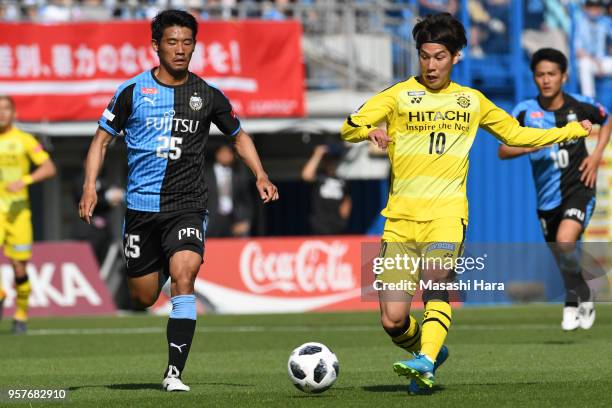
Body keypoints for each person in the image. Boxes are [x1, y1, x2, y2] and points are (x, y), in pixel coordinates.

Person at [340, 13, 592, 395]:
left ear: (456, 57)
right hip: (400, 220)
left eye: (439, 56)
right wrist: (369, 130)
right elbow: (348, 126)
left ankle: (424, 363)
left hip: (447, 214)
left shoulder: (471, 101)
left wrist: (570, 130)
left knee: (437, 282)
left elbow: (516, 133)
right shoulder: (397, 95)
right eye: (424, 55)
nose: (430, 64)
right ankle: (429, 350)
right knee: (393, 320)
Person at [78, 10, 278, 392]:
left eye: (187, 42)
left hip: (186, 204)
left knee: (184, 277)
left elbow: (238, 135)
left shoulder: (207, 94)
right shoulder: (132, 91)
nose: (180, 49)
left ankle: (174, 372)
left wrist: (261, 174)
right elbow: (101, 140)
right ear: (155, 46)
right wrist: (91, 186)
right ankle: (162, 265)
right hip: (140, 210)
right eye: (172, 42)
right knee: (145, 295)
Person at [499, 48, 610, 331]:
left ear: (564, 76)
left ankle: (580, 293)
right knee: (562, 255)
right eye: (540, 75)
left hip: (579, 188)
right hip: (546, 198)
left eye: (552, 74)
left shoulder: (580, 105)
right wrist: (533, 143)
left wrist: (596, 155)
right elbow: (503, 150)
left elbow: (606, 119)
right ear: (534, 78)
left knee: (565, 242)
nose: (546, 80)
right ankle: (580, 294)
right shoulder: (525, 111)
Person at [0, 95, 57, 334]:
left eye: (6, 109)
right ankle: (2, 294)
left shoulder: (24, 140)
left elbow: (48, 167)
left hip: (19, 212)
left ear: (14, 113)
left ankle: (21, 316)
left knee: (19, 267)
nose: (2, 113)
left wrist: (24, 180)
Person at [205, 143, 254, 238]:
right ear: (217, 154)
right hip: (211, 220)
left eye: (229, 153)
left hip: (233, 219)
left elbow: (246, 199)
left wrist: (245, 220)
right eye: (223, 153)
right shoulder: (206, 173)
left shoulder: (239, 173)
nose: (226, 156)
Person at [301, 144, 351, 235]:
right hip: (319, 226)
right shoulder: (320, 177)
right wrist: (317, 155)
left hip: (337, 227)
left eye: (334, 160)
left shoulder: (343, 179)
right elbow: (306, 175)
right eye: (329, 160)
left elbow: (346, 200)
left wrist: (343, 220)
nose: (332, 163)